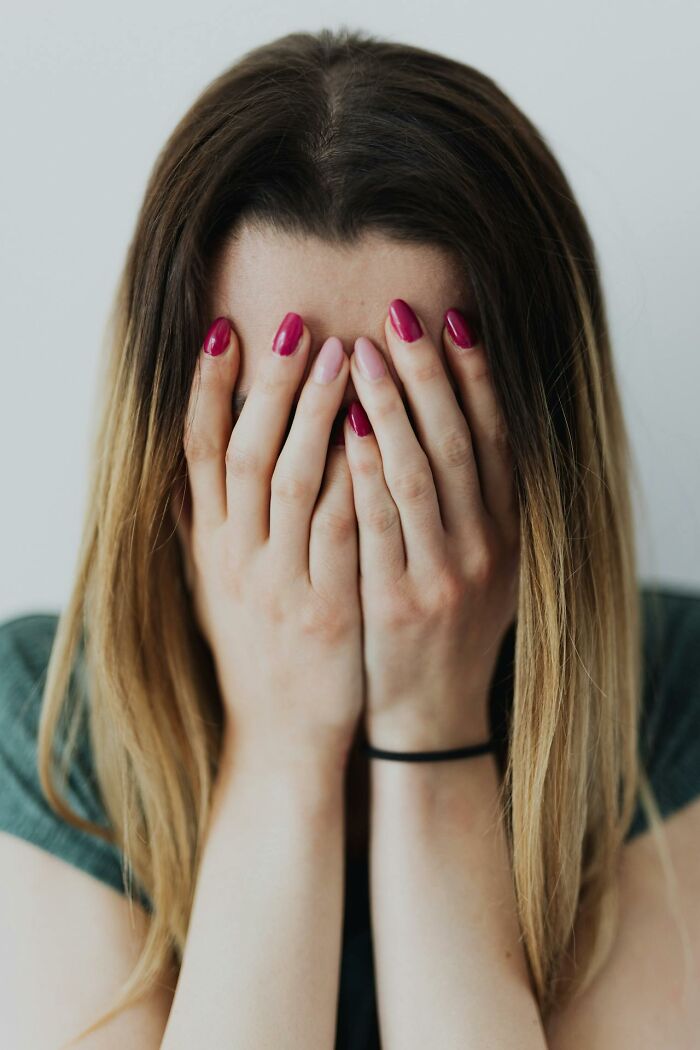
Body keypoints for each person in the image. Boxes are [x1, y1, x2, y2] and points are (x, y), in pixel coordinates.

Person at [1, 26, 699, 1050]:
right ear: (172, 439)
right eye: (279, 422)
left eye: (413, 423)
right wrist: (281, 746)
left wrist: (432, 728)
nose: (358, 491)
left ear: (534, 445)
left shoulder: (673, 699)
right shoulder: (45, 723)